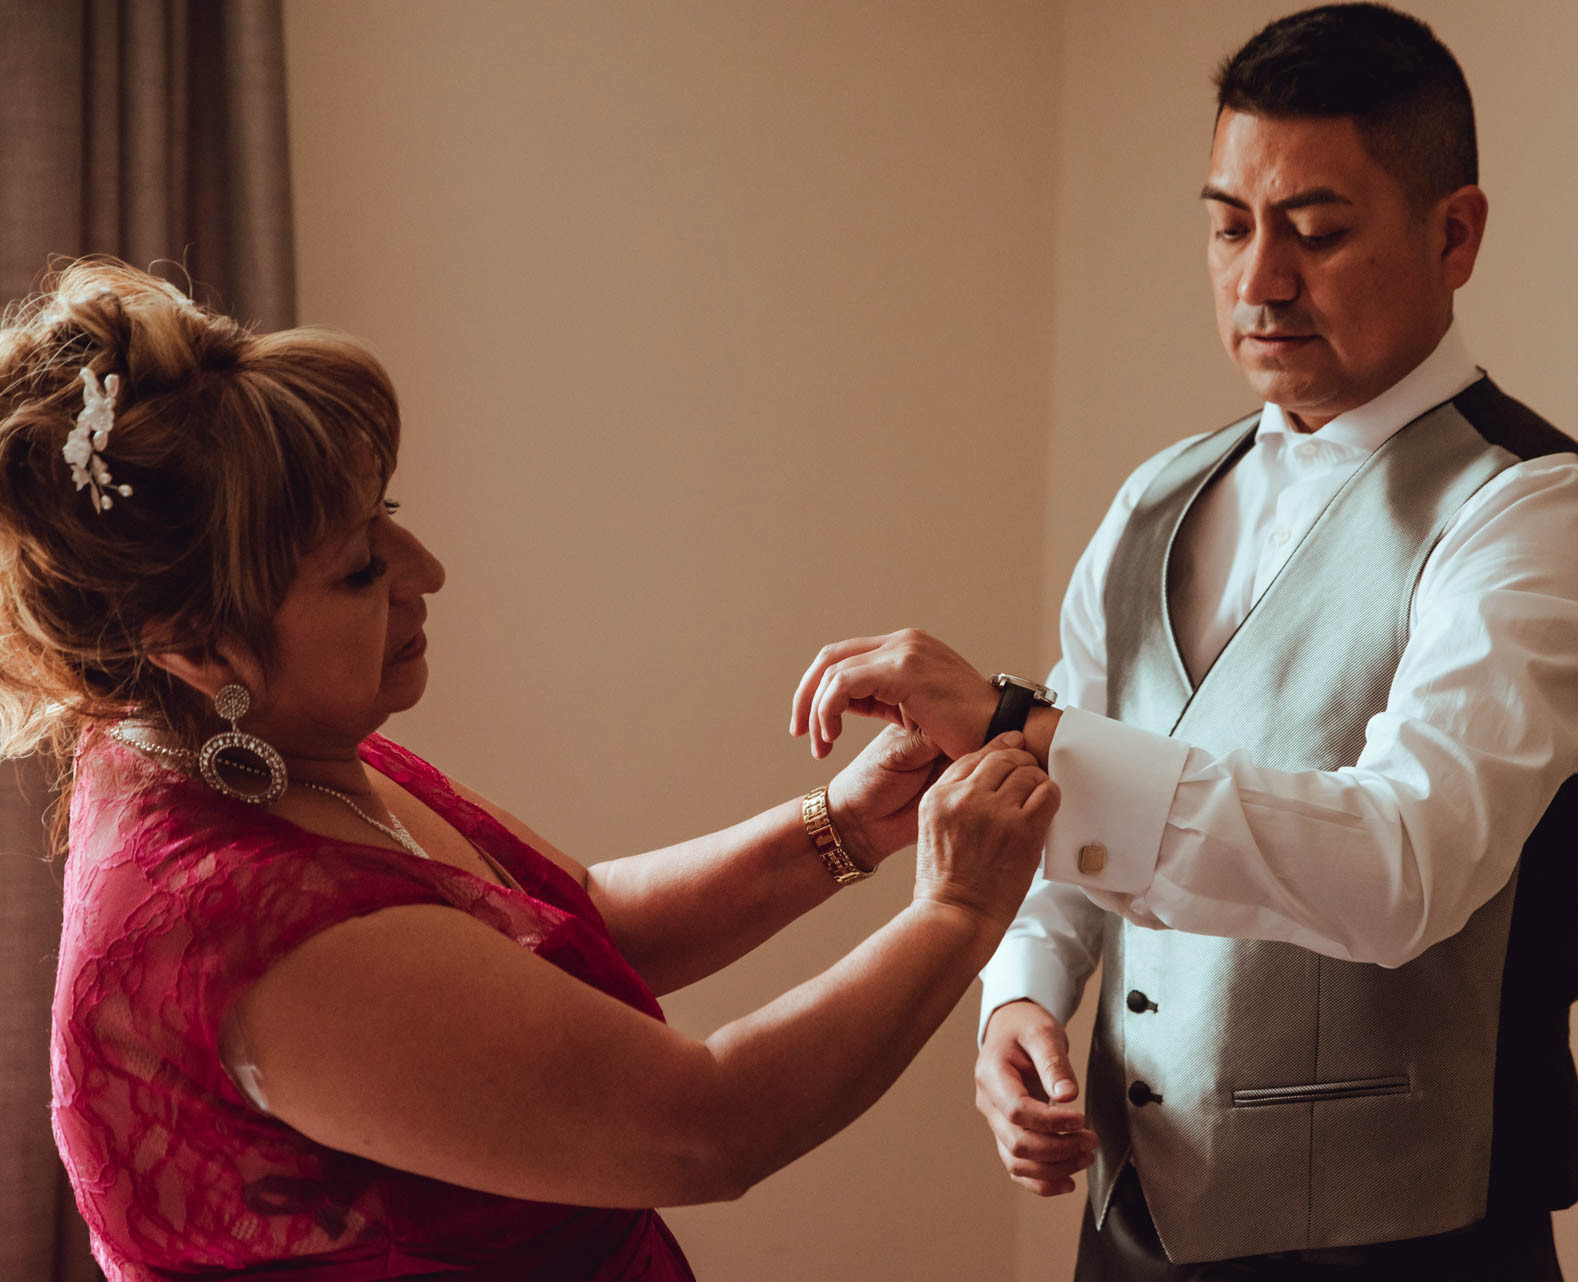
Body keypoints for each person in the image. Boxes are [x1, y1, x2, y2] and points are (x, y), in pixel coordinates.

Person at [790, 5, 1578, 1278]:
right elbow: (1069, 808)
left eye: (1316, 230)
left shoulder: (1538, 516)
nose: (1260, 278)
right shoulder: (1157, 495)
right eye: (1228, 223)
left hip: (1410, 1243)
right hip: (1129, 1232)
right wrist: (1022, 992)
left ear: (1455, 233)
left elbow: (1399, 867)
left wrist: (1008, 718)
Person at [0, 260, 1060, 1281]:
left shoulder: (254, 755)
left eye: (391, 522)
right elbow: (706, 1127)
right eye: (361, 568)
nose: (427, 576)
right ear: (198, 645)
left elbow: (574, 918)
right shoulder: (259, 933)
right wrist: (958, 908)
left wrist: (846, 824)